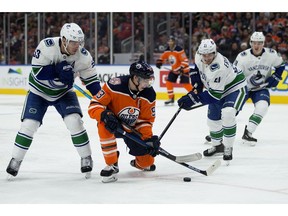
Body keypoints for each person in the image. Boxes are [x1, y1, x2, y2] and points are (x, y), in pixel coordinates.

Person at [6, 23, 101, 178]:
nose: (77, 46)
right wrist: (59, 69)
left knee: (74, 122)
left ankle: (86, 157)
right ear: (63, 40)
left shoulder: (83, 57)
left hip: (64, 93)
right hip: (38, 92)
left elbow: (92, 82)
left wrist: (102, 99)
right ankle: (16, 159)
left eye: (79, 42)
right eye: (73, 42)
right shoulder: (46, 46)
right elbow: (37, 72)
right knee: (29, 125)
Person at [88, 61, 160, 183]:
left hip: (132, 129)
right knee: (103, 124)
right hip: (114, 124)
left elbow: (145, 121)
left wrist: (148, 139)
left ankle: (139, 163)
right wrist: (104, 114)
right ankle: (112, 164)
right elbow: (94, 105)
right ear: (136, 78)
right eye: (145, 80)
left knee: (147, 162)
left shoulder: (149, 94)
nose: (148, 83)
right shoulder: (114, 85)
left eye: (150, 80)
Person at [177, 38, 247, 163]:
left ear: (215, 52)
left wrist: (192, 99)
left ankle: (228, 147)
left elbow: (214, 96)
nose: (207, 57)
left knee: (228, 114)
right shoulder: (199, 55)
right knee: (212, 120)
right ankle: (217, 146)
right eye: (204, 54)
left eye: (210, 54)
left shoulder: (219, 67)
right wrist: (197, 86)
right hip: (217, 89)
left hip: (234, 88)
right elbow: (196, 70)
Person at [234, 31, 285, 146]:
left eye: (260, 43)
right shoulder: (242, 57)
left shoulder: (271, 54)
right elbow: (235, 75)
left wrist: (277, 76)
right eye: (254, 43)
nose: (257, 46)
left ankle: (249, 132)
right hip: (243, 88)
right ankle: (216, 133)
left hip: (261, 88)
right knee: (231, 110)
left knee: (262, 107)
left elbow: (281, 65)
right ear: (250, 43)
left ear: (263, 43)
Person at [156, 36, 193, 105]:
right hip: (174, 70)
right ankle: (171, 98)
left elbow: (185, 60)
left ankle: (196, 96)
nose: (170, 42)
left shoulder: (179, 50)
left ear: (174, 42)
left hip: (183, 69)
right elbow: (163, 57)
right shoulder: (167, 50)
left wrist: (181, 68)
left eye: (171, 41)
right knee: (168, 82)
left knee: (186, 85)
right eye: (169, 41)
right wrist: (159, 61)